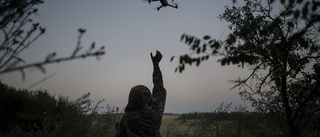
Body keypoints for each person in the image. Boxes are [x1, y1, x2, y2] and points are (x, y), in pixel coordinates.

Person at [115, 50, 167, 137]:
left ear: (131, 99)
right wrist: (156, 65)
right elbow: (159, 89)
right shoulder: (156, 112)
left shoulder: (127, 118)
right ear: (149, 97)